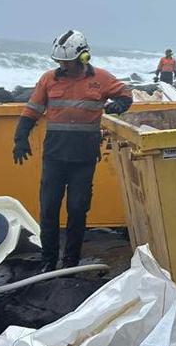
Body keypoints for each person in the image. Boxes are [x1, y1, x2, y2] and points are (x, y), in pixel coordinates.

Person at [13, 30, 132, 271]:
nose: (63, 65)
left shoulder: (101, 78)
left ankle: (71, 261)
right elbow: (32, 110)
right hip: (54, 156)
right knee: (48, 210)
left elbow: (126, 94)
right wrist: (20, 138)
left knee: (78, 209)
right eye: (59, 61)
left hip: (84, 157)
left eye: (67, 61)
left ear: (83, 57)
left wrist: (119, 104)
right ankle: (48, 260)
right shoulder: (48, 79)